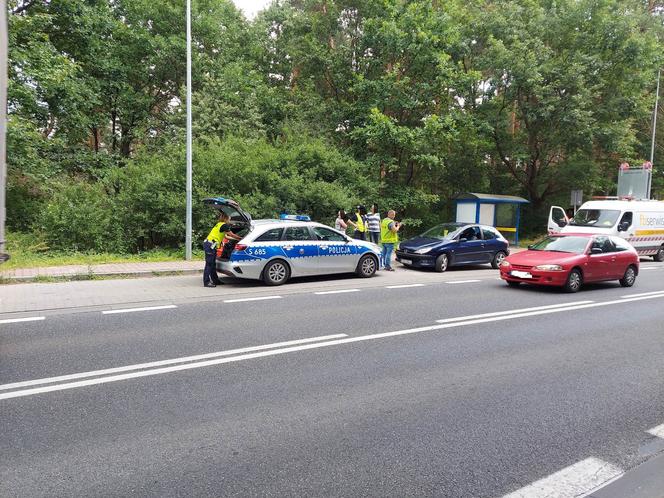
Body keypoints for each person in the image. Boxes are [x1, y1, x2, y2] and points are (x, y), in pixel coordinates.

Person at [203, 212, 239, 287]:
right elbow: (231, 234)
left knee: (212, 264)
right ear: (226, 218)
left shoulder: (219, 224)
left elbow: (226, 236)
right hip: (210, 245)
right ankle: (206, 282)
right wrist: (240, 238)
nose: (230, 219)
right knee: (209, 264)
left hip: (210, 244)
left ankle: (215, 280)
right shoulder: (224, 225)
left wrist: (235, 239)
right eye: (229, 218)